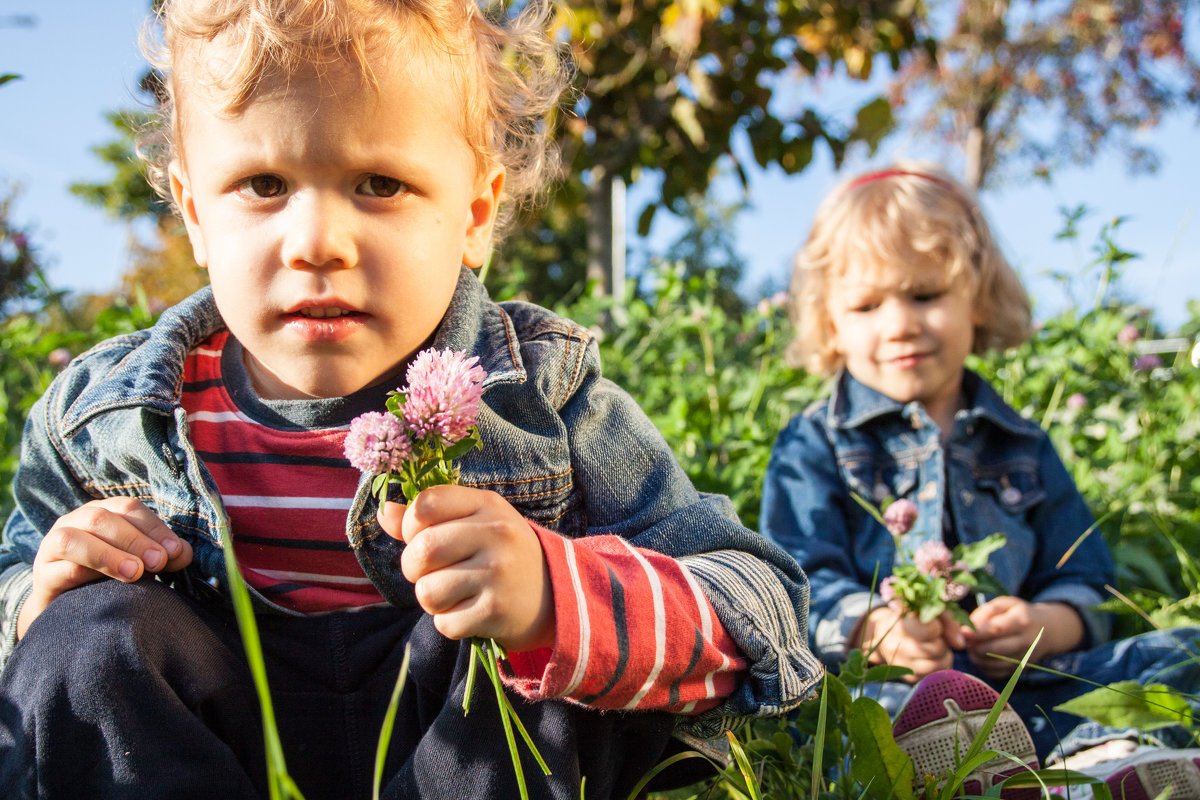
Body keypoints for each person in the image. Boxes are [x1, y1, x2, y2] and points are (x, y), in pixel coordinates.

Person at [0, 2, 822, 798]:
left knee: (548, 645)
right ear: (193, 213)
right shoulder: (108, 423)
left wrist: (557, 596)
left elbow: (759, 600)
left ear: (474, 213)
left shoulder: (541, 398)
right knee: (86, 636)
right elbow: (19, 603)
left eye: (380, 183)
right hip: (209, 745)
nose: (317, 240)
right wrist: (37, 596)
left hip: (460, 755)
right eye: (261, 183)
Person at [759, 162, 1200, 794]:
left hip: (1031, 683)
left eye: (925, 295)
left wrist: (1044, 624)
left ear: (979, 298)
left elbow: (1086, 578)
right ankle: (1018, 769)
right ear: (832, 324)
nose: (900, 323)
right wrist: (876, 629)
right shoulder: (815, 443)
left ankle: (1093, 762)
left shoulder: (1020, 442)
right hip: (891, 690)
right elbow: (792, 583)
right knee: (842, 712)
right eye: (866, 304)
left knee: (1180, 653)